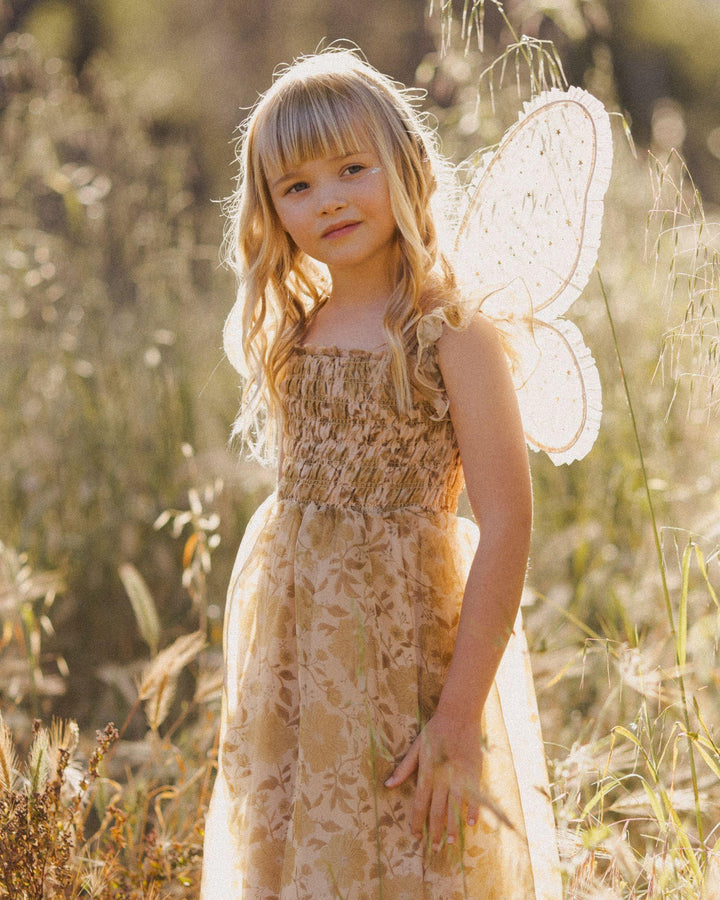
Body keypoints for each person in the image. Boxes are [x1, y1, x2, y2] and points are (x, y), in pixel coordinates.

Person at [201, 47, 562, 900]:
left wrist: (460, 713)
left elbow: (509, 519)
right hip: (300, 663)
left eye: (351, 169)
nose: (328, 199)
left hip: (412, 656)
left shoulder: (452, 331)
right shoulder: (293, 334)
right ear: (271, 211)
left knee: (412, 853)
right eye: (297, 186)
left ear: (402, 165)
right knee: (302, 856)